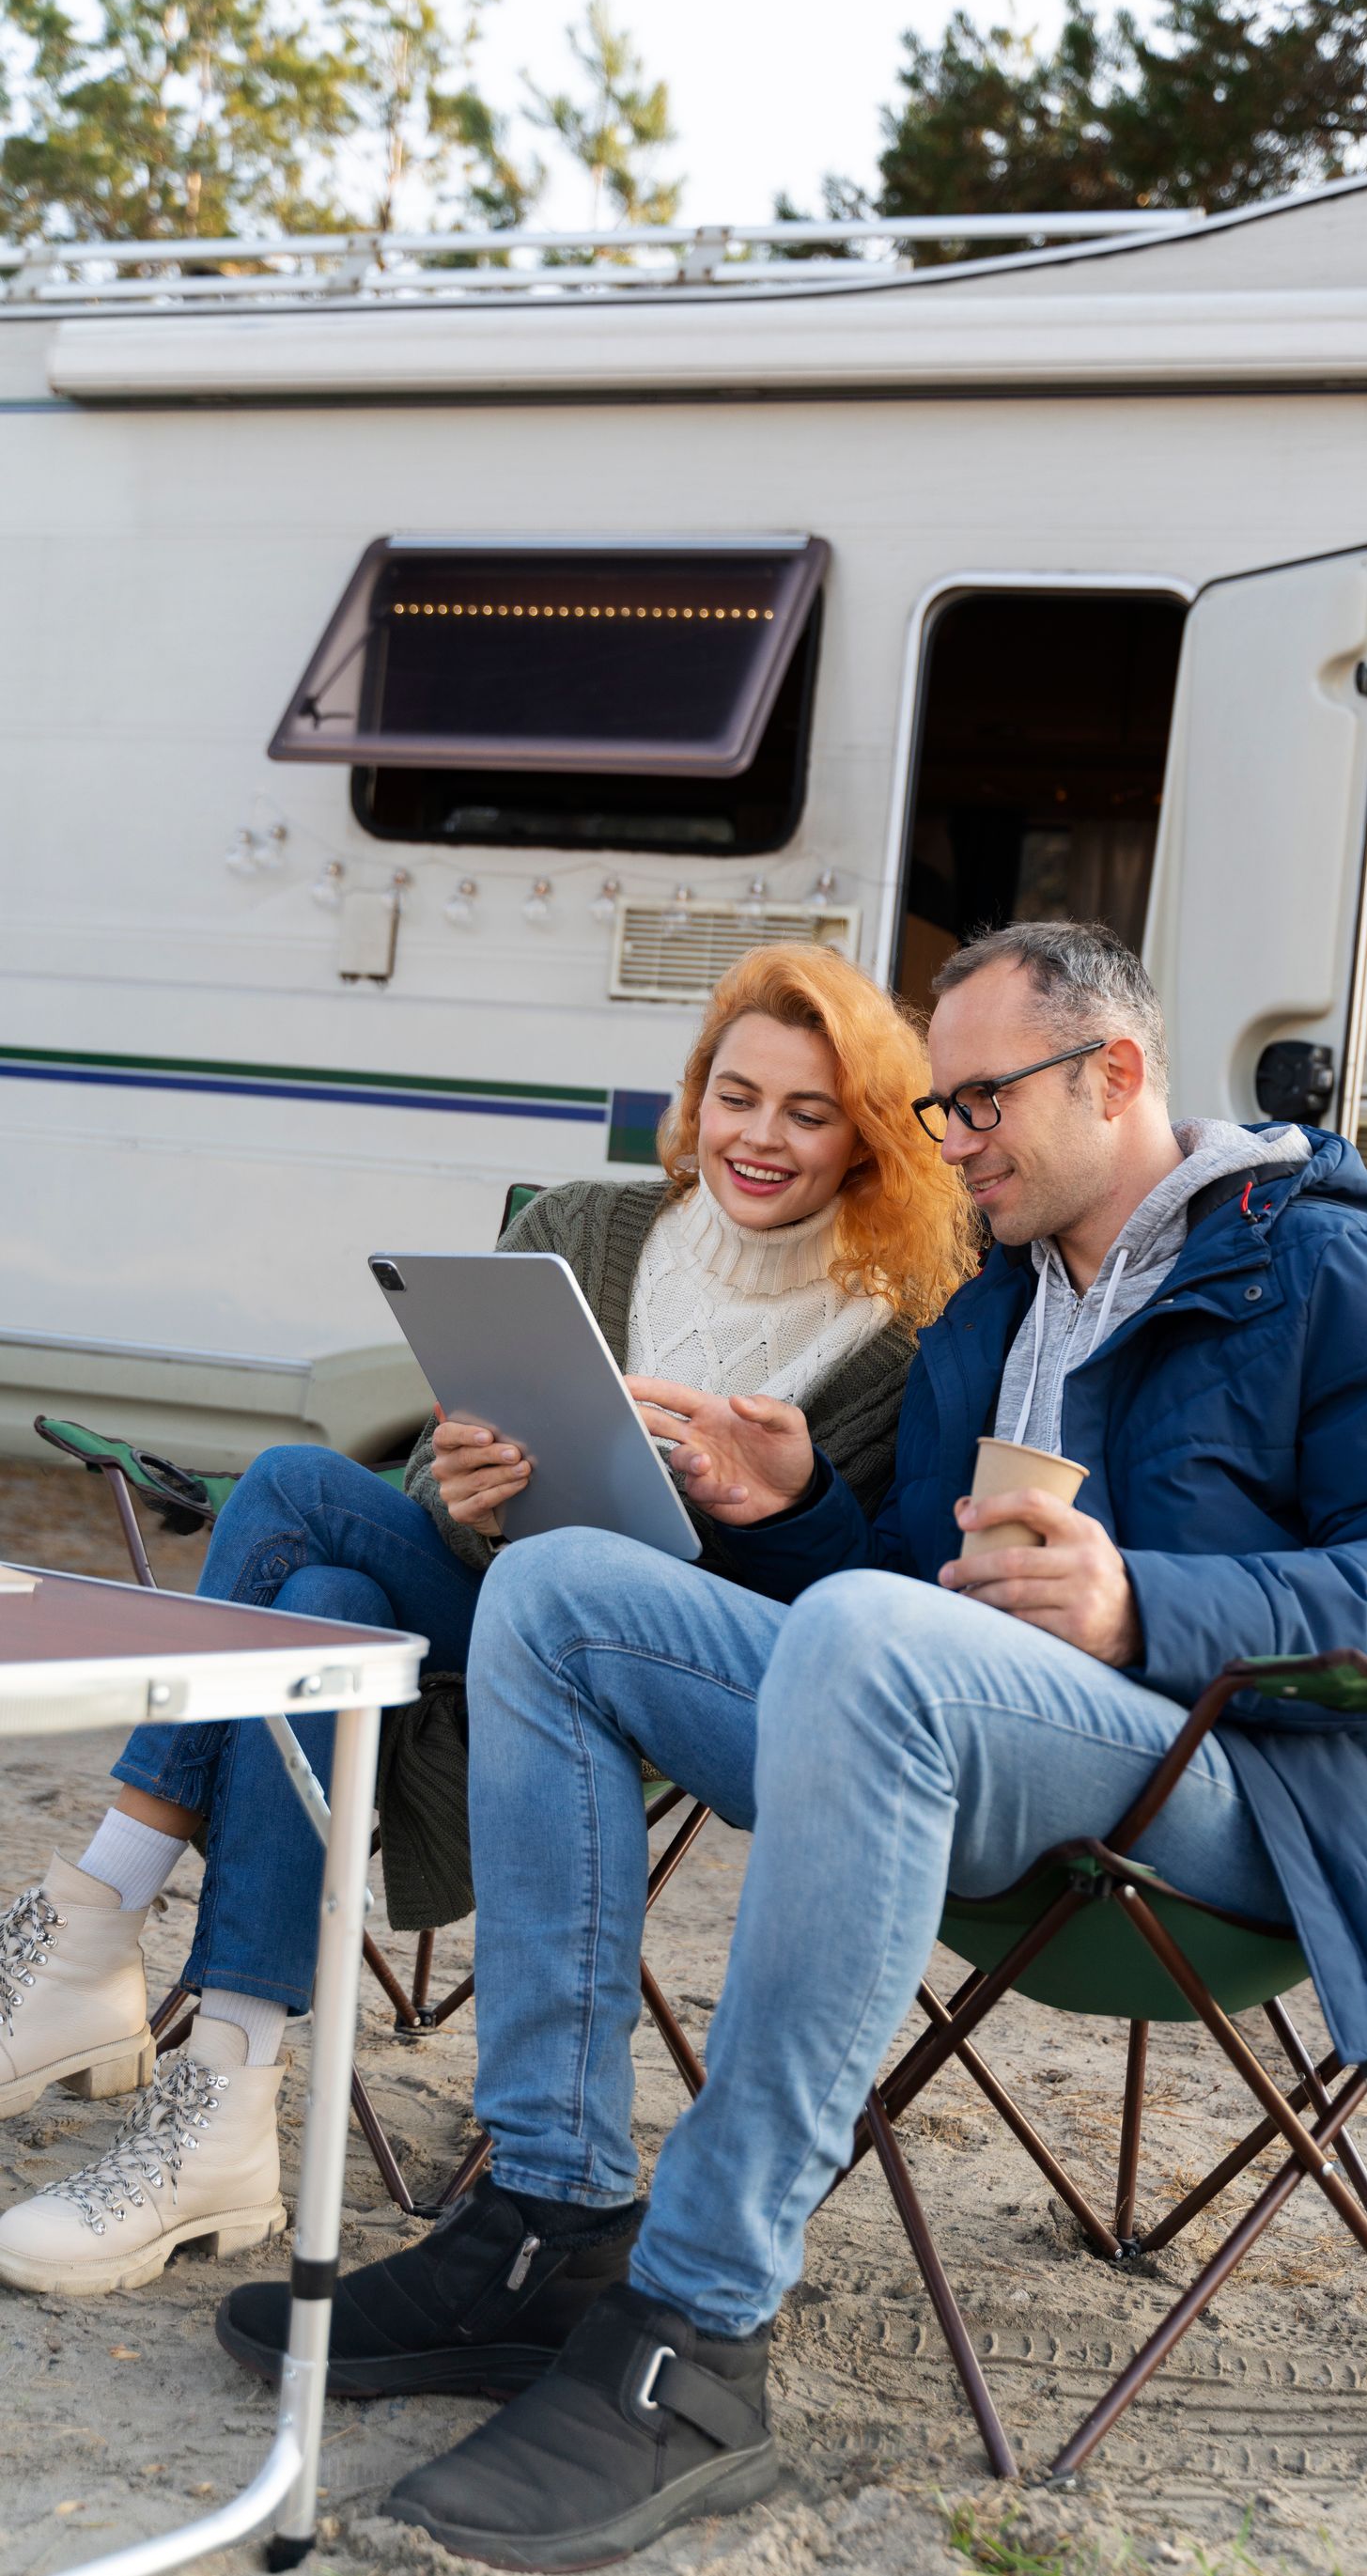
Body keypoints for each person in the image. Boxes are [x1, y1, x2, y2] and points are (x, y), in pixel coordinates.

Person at [213, 916, 1367, 2569]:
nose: (947, 1142)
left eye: (975, 1105)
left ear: (1113, 1076)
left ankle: (699, 2327)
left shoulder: (1329, 1269)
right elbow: (891, 1600)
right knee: (558, 1588)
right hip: (983, 1753)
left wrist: (1143, 1605)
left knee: (871, 1644)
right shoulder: (992, 1311)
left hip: (1252, 1790)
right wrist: (791, 1505)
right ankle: (547, 2217)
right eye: (940, 1112)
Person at [0, 945, 973, 2297]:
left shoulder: (907, 1337)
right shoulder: (581, 1226)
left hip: (637, 1688)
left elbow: (834, 1620)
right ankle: (215, 2101)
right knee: (326, 1586)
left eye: (809, 1112)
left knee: (295, 1516)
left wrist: (781, 1497)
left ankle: (102, 1917)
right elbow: (429, 1499)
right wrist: (471, 1496)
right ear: (695, 1099)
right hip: (473, 1614)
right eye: (736, 1096)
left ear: (868, 1137)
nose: (760, 1137)